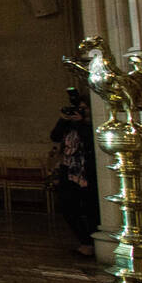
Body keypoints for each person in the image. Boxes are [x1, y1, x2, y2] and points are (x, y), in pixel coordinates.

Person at [51, 98, 99, 257]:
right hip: (68, 169)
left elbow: (90, 142)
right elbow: (55, 136)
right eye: (78, 108)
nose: (80, 111)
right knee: (66, 206)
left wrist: (80, 123)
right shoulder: (69, 125)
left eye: (84, 108)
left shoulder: (92, 125)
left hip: (86, 172)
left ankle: (92, 244)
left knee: (90, 208)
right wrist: (63, 120)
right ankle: (84, 241)